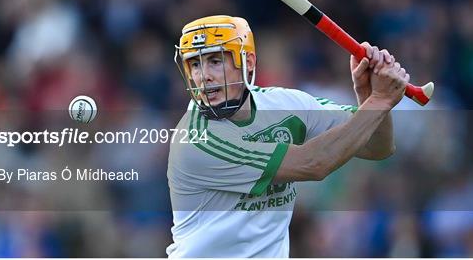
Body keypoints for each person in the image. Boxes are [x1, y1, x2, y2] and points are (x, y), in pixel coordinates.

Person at [167, 15, 409, 257]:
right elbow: (313, 164)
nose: (203, 76)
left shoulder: (285, 104)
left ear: (248, 61)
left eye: (215, 61)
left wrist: (367, 94)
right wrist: (379, 100)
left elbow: (377, 147)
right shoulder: (197, 139)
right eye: (195, 64)